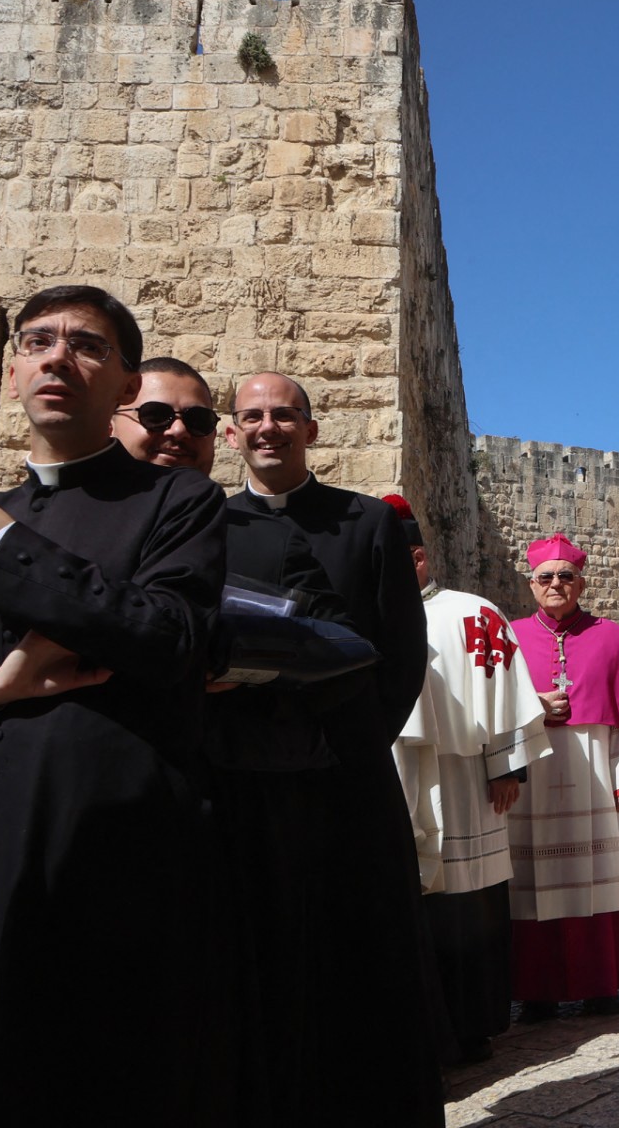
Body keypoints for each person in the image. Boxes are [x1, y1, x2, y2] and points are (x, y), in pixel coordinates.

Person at [0, 287, 225, 1126]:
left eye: (86, 346)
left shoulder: (176, 503)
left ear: (125, 385)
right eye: (38, 340)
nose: (57, 357)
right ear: (10, 367)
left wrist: (1, 544)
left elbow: (163, 637)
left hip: (114, 858)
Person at [113, 357, 369, 1122]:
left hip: (240, 799)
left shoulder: (260, 535)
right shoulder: (50, 524)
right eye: (157, 417)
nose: (176, 434)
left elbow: (344, 644)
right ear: (119, 417)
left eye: (194, 421)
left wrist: (241, 665)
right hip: (108, 793)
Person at [227, 370, 445, 1123]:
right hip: (249, 776)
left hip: (350, 772)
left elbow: (401, 652)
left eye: (284, 415)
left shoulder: (367, 523)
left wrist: (353, 740)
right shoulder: (209, 526)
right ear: (232, 434)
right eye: (251, 416)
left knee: (367, 951)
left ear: (312, 430)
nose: (268, 428)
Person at [391, 496, 550, 1061]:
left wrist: (507, 764)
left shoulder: (472, 612)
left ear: (417, 557)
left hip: (463, 783)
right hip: (396, 779)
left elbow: (505, 691)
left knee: (469, 905)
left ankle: (472, 1025)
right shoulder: (366, 610)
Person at [505, 533, 619, 1018]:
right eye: (546, 577)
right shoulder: (510, 636)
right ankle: (538, 991)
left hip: (595, 769)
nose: (556, 585)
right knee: (532, 879)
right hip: (533, 772)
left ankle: (600, 983)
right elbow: (494, 710)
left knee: (597, 878)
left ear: (581, 583)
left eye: (565, 577)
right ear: (532, 585)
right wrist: (533, 707)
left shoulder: (612, 636)